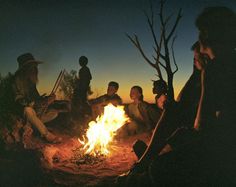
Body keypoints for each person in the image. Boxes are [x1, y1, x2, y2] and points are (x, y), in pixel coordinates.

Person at [12, 53, 62, 143]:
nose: (35, 68)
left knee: (54, 113)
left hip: (34, 112)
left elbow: (37, 99)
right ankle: (47, 134)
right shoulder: (17, 80)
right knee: (28, 110)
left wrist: (48, 100)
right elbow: (18, 100)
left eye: (35, 66)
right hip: (22, 112)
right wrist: (33, 103)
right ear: (26, 67)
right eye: (32, 66)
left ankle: (35, 124)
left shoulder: (31, 82)